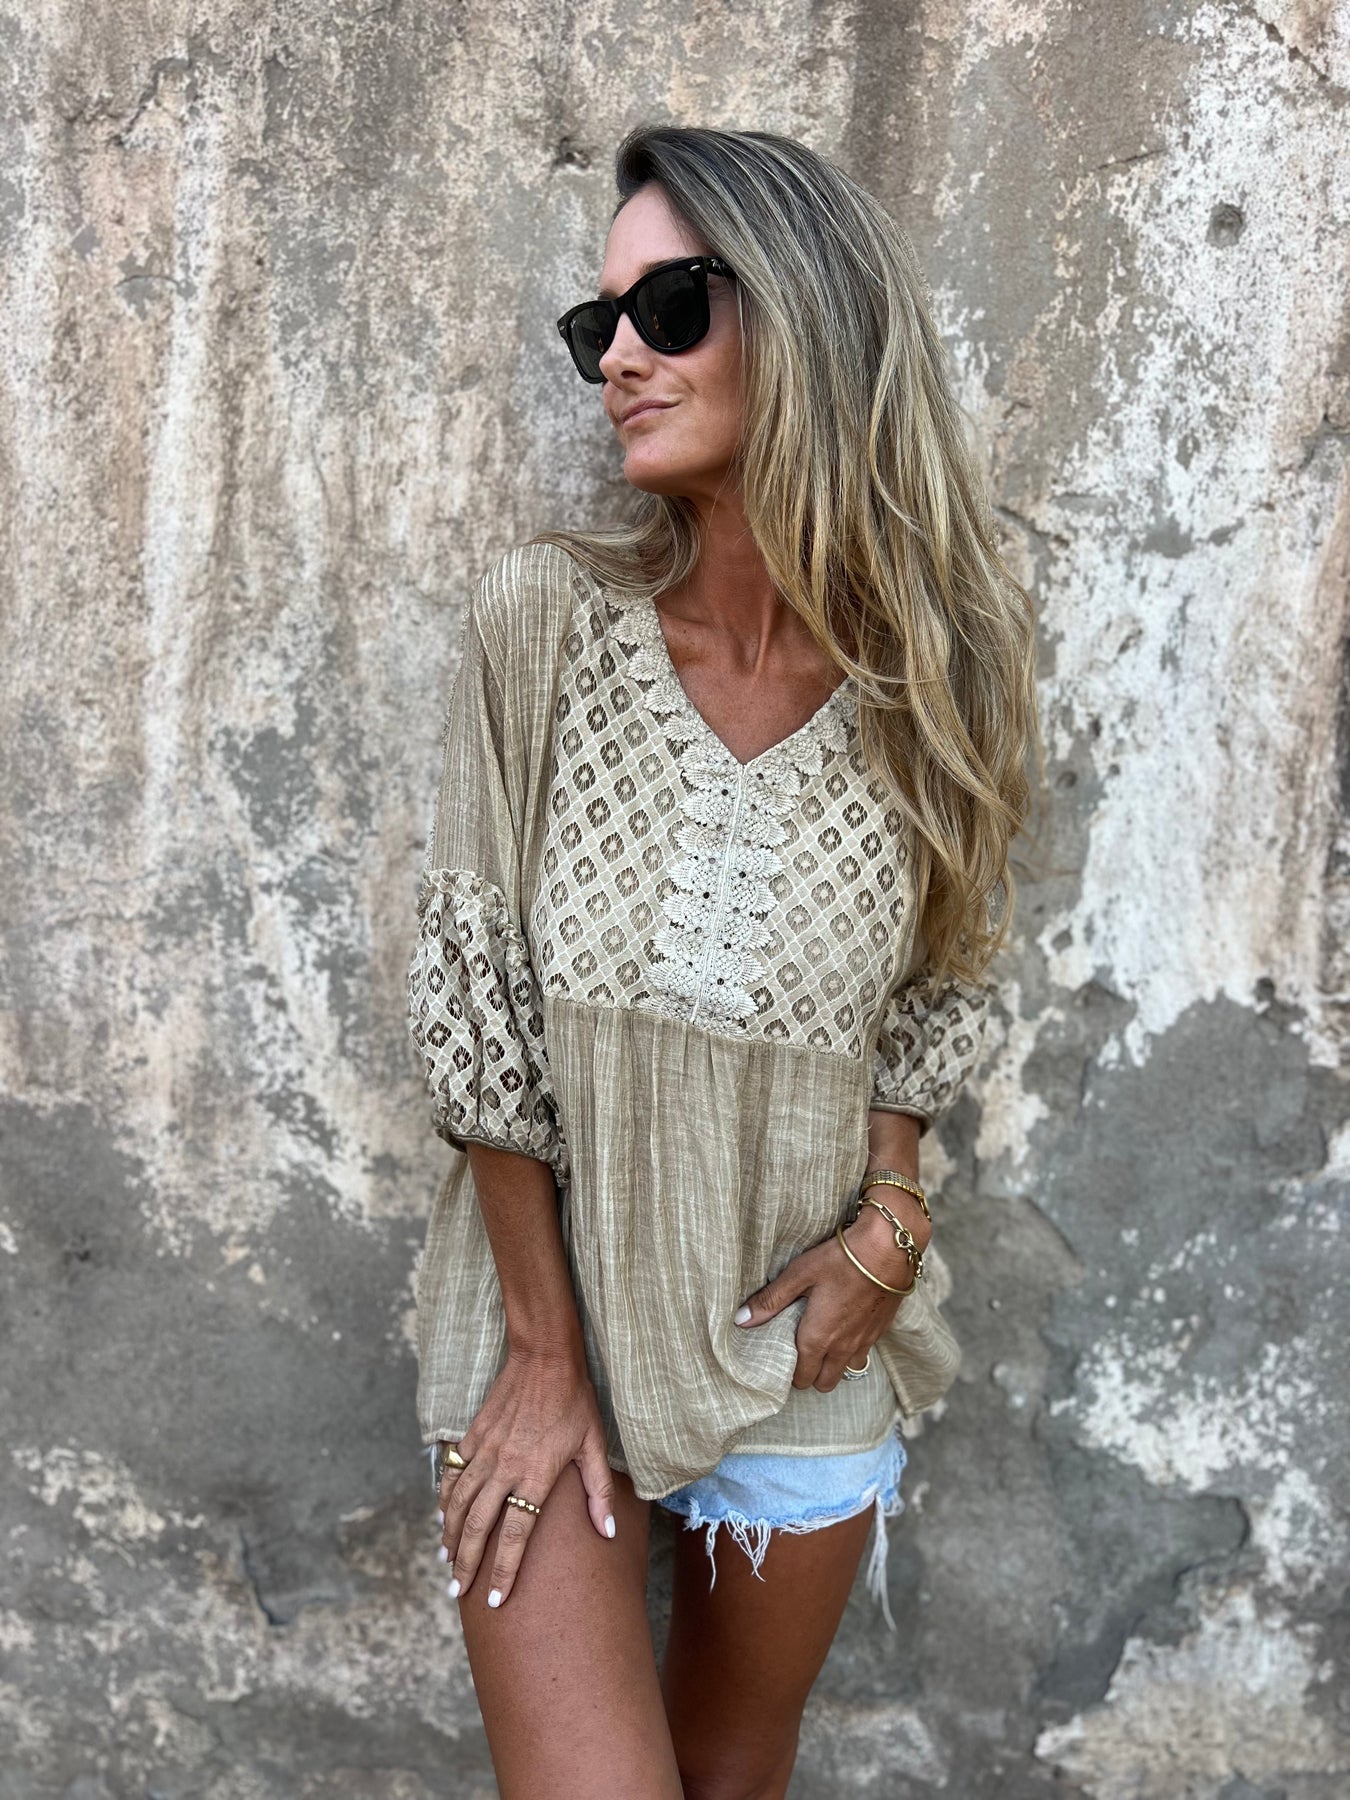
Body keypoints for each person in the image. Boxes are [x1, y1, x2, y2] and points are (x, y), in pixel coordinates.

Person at [406, 122, 1040, 1800]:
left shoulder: (941, 677)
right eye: (598, 322)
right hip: (545, 1326)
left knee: (732, 1777)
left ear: (804, 311)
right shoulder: (545, 622)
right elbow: (474, 1014)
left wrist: (892, 1215)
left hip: (800, 1339)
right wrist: (545, 1355)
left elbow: (940, 980)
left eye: (670, 306)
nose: (618, 356)